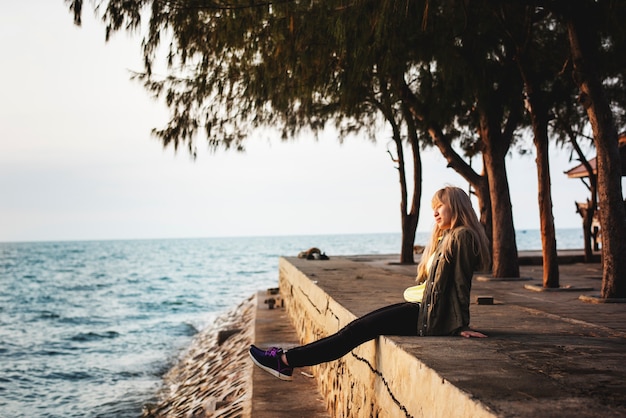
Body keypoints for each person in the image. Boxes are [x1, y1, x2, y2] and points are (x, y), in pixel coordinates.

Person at [249, 186, 491, 381]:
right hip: (420, 309)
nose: (435, 212)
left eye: (440, 206)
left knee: (352, 333)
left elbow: (461, 284)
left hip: (425, 317)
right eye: (433, 208)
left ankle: (284, 361)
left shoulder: (462, 236)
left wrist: (459, 325)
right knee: (353, 330)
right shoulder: (448, 236)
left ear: (457, 206)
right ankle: (284, 360)